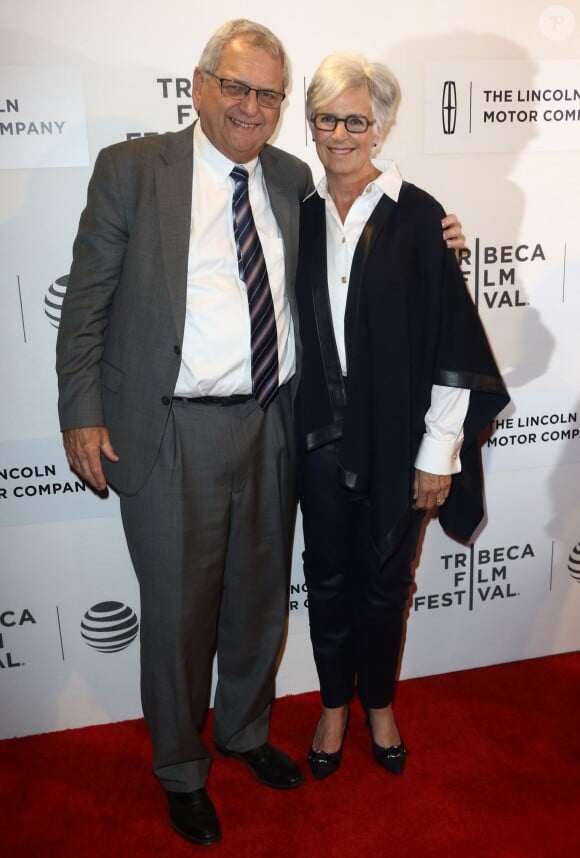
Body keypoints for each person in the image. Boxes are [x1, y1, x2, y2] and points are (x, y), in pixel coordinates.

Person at [56, 20, 464, 846]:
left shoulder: (292, 180)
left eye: (268, 94)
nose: (251, 107)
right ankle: (179, 765)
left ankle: (243, 733)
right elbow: (86, 305)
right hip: (171, 432)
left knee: (256, 604)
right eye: (235, 87)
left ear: (283, 107)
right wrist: (82, 411)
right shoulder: (133, 171)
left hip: (276, 423)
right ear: (200, 83)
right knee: (176, 614)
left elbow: (367, 249)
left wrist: (441, 239)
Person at [294, 54, 509, 780]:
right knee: (325, 576)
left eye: (356, 119)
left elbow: (451, 338)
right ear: (312, 125)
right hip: (319, 435)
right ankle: (331, 705)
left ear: (380, 127)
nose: (341, 133)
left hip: (401, 442)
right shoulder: (298, 214)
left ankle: (378, 705)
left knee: (387, 582)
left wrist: (437, 453)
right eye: (327, 117)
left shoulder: (419, 215)